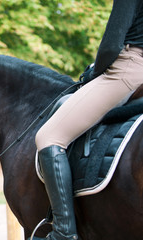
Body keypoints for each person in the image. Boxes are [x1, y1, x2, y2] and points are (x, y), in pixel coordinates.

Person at [31, 1, 143, 240]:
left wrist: (95, 72)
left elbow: (112, 44)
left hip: (129, 69)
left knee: (48, 136)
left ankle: (63, 232)